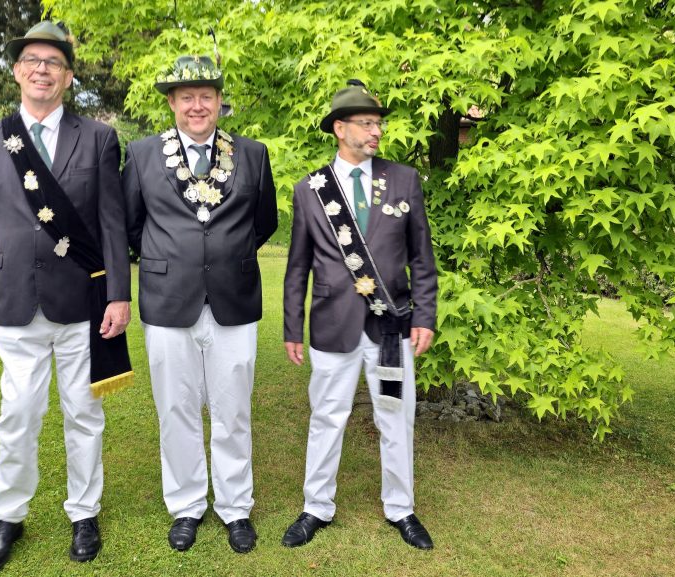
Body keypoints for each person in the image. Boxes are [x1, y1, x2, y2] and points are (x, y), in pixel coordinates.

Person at [0, 21, 132, 573]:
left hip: (82, 301)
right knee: (18, 414)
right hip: (15, 300)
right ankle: (8, 516)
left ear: (68, 77)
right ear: (16, 71)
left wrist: (119, 294)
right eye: (32, 60)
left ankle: (84, 512)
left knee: (84, 413)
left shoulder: (98, 138)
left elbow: (112, 223)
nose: (42, 70)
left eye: (53, 62)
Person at [122, 55, 277, 554]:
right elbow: (131, 224)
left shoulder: (253, 154)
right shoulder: (141, 154)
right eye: (186, 96)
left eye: (205, 96)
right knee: (176, 408)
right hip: (168, 301)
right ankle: (186, 505)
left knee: (233, 409)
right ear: (171, 103)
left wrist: (224, 258)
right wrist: (176, 259)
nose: (196, 105)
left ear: (219, 101)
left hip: (234, 299)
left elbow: (264, 221)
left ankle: (235, 508)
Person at [281, 80, 438, 550]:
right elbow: (298, 266)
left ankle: (401, 508)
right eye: (367, 123)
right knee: (327, 416)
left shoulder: (404, 179)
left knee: (395, 415)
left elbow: (422, 257)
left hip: (391, 326)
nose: (376, 131)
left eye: (378, 123)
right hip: (333, 325)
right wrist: (292, 326)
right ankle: (316, 506)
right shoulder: (310, 190)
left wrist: (425, 316)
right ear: (339, 128)